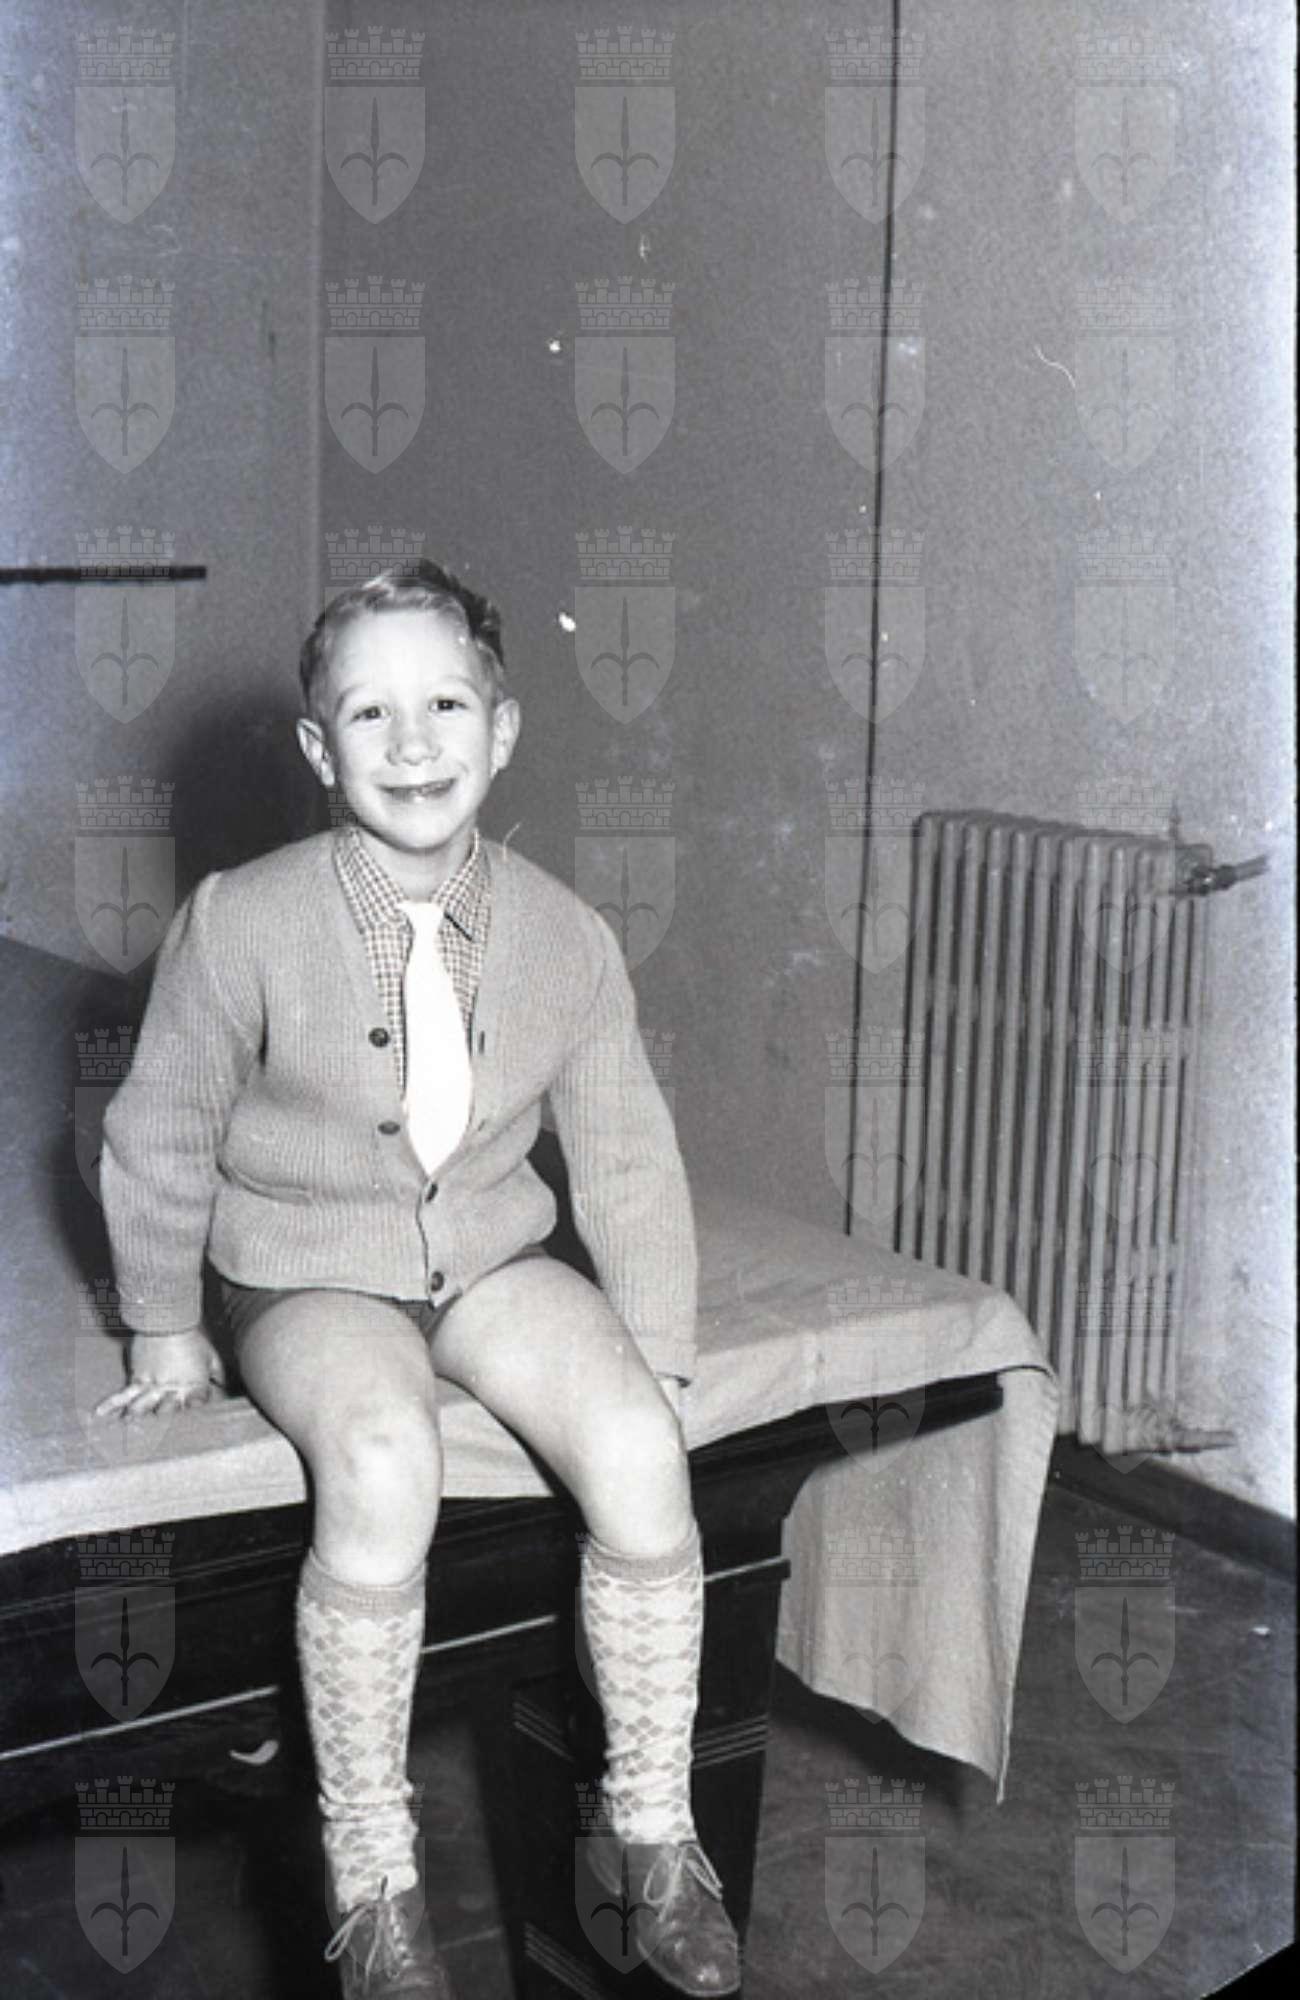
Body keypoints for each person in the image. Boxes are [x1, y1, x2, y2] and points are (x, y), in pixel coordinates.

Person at [97, 560, 740, 2000]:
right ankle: (373, 1877)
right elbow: (161, 1128)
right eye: (368, 713)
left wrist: (657, 1343)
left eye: (445, 705)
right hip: (305, 1268)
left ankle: (650, 1822)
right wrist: (163, 1322)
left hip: (492, 1252)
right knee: (386, 1455)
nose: (411, 743)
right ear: (320, 749)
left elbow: (628, 1156)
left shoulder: (568, 935)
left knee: (641, 1441)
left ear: (501, 731)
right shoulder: (241, 919)